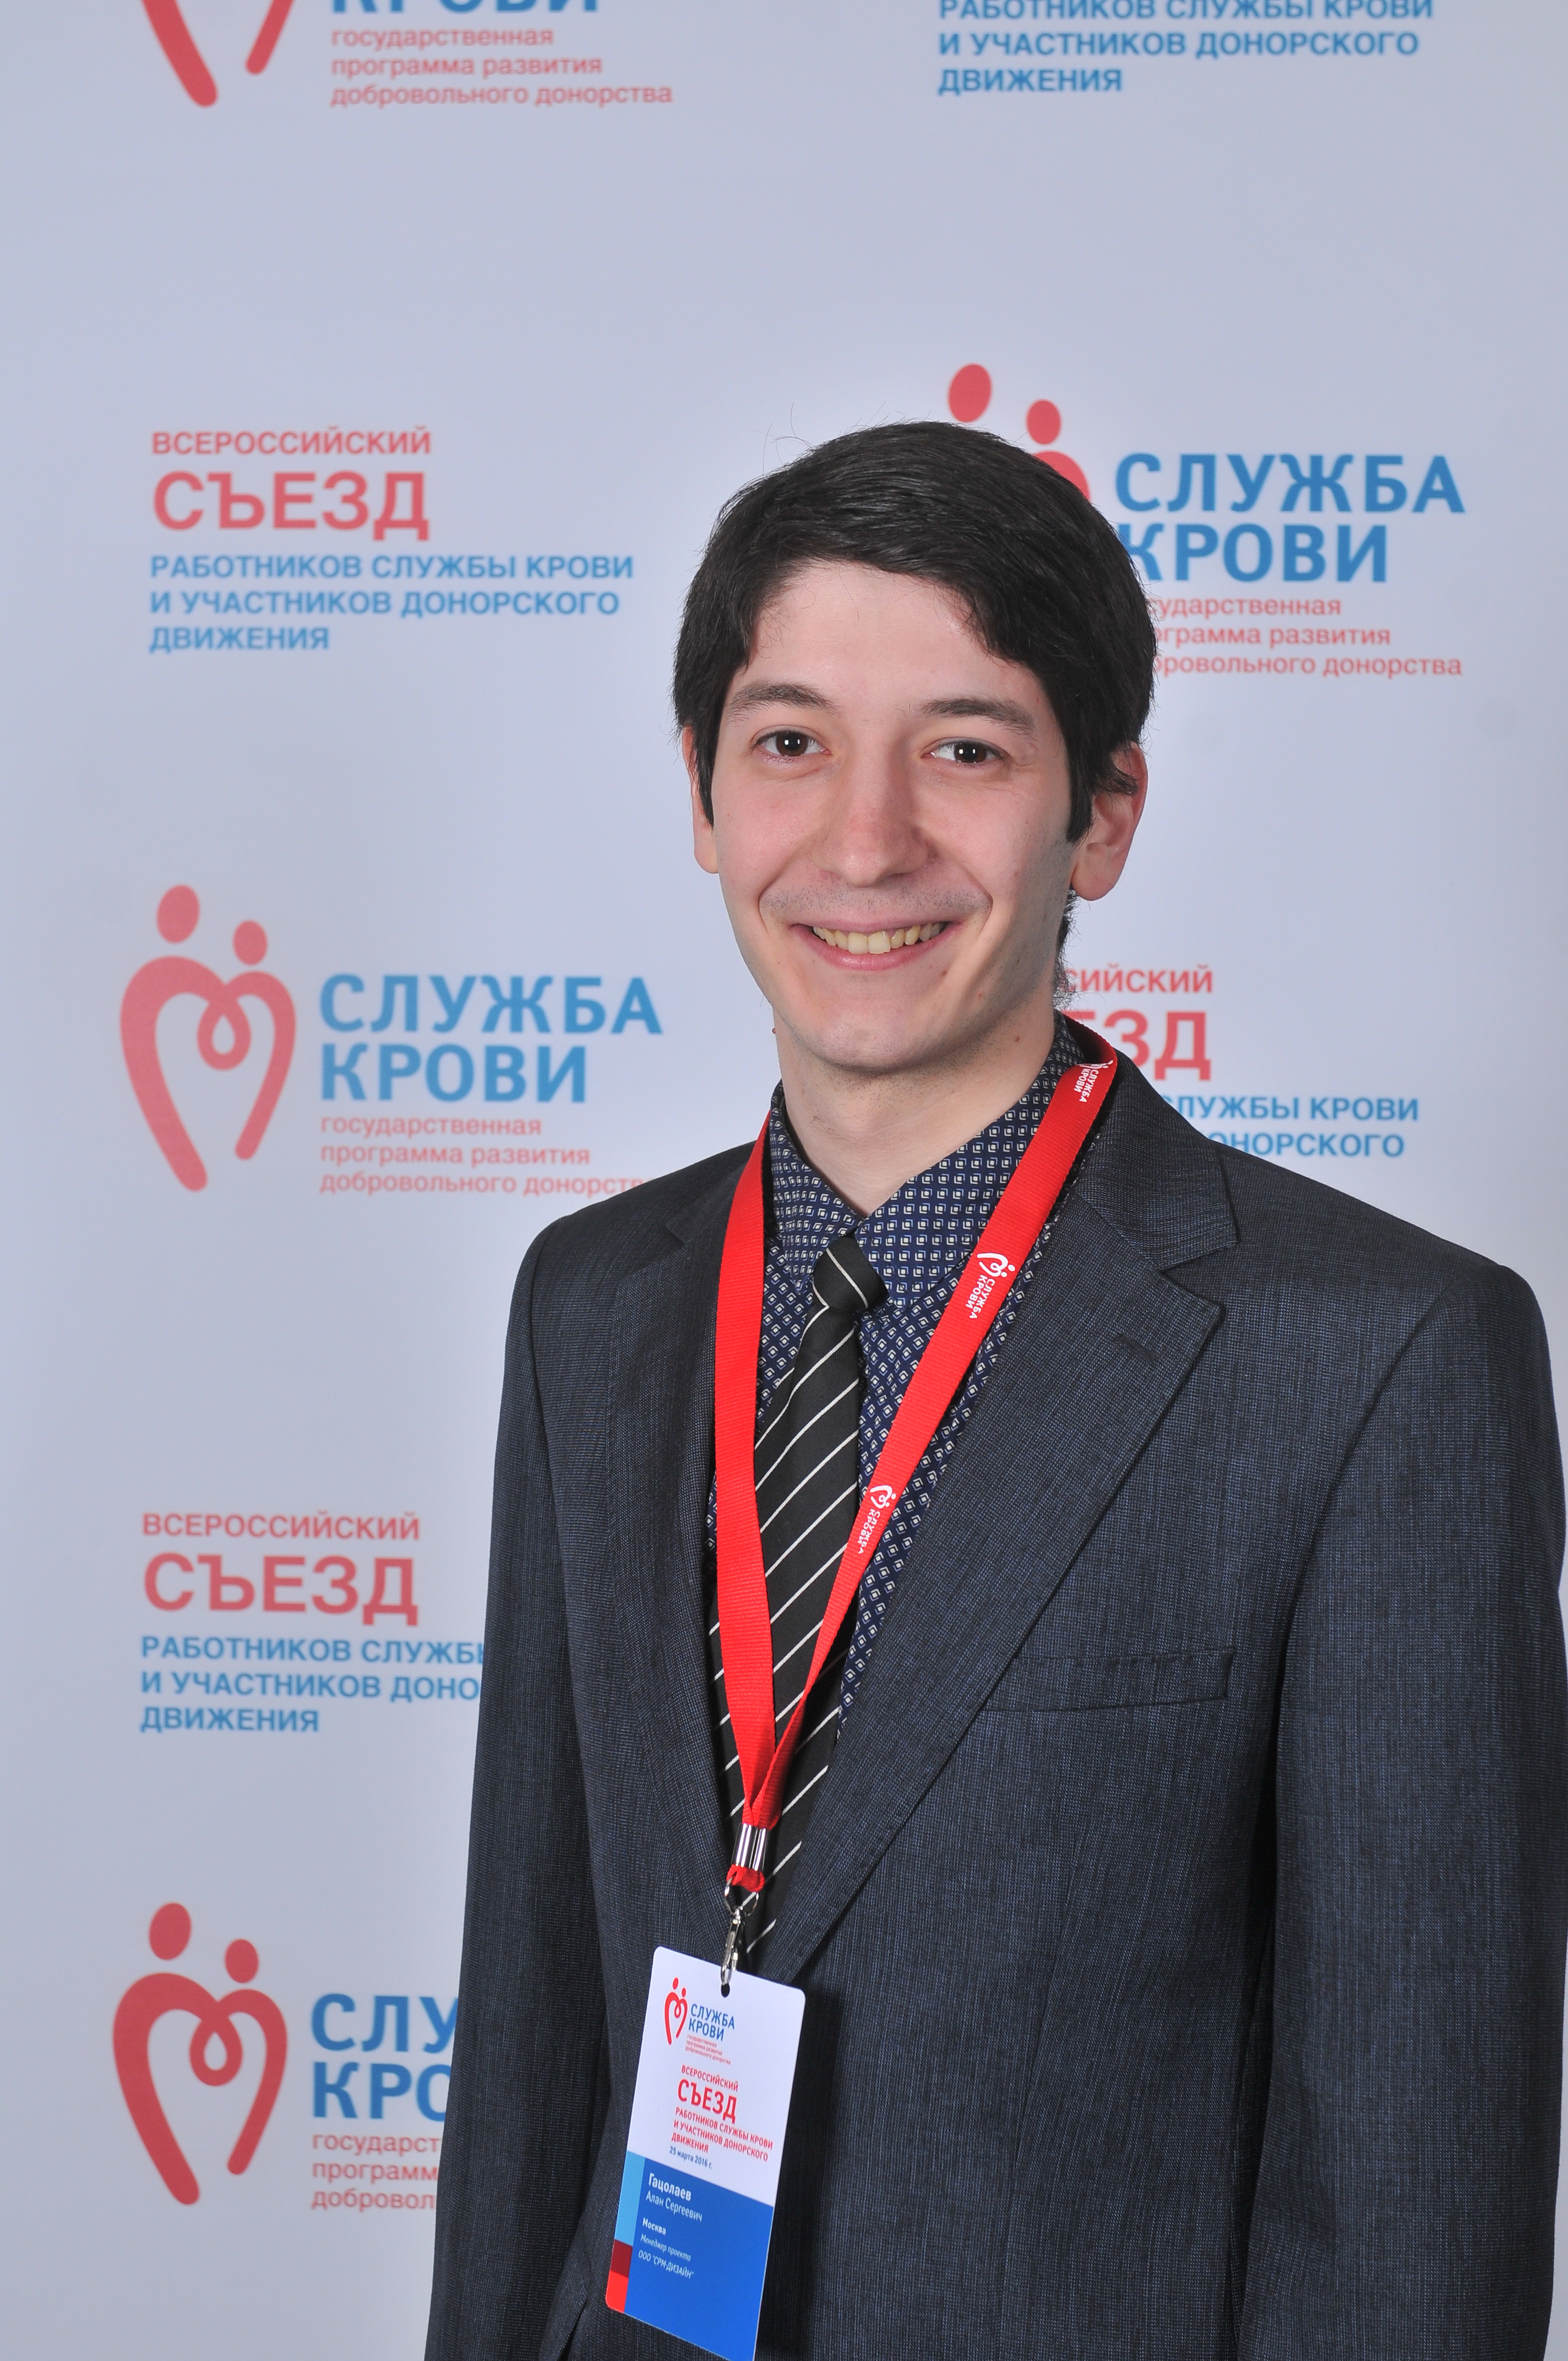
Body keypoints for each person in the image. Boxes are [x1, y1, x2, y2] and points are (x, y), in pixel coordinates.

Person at [424, 422, 1567, 2360]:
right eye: (791, 742)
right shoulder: (593, 1308)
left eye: (963, 750)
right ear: (702, 791)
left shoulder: (1376, 1360)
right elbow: (537, 2037)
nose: (864, 842)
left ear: (1102, 817)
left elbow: (1413, 2188)